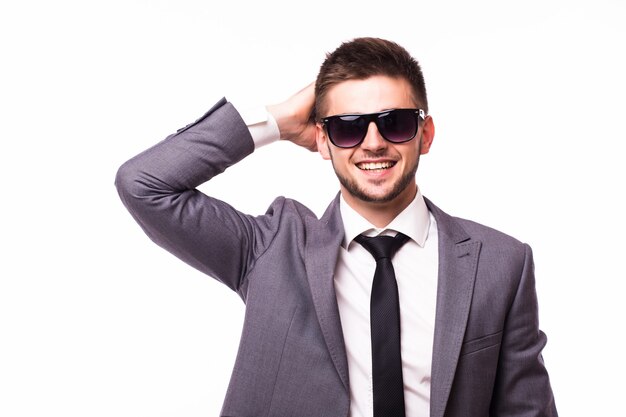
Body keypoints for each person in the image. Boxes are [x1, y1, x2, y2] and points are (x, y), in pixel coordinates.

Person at [116, 37, 557, 417]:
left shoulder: (502, 263)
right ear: (322, 141)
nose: (373, 142)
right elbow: (144, 186)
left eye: (395, 123)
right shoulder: (271, 248)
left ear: (425, 134)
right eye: (347, 128)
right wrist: (278, 120)